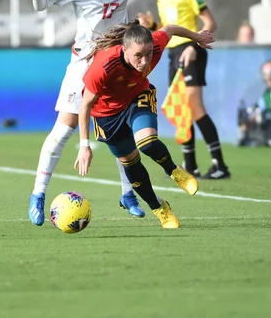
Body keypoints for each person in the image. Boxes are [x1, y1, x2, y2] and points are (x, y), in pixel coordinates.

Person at [25, 0, 176, 225]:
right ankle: (38, 195)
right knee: (64, 128)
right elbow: (43, 5)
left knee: (123, 127)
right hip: (85, 61)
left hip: (119, 59)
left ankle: (127, 193)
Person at [74, 21, 214, 228]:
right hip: (107, 115)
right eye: (138, 56)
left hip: (136, 98)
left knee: (147, 142)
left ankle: (175, 171)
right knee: (130, 164)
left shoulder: (154, 46)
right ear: (124, 50)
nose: (144, 61)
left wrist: (197, 37)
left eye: (147, 54)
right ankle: (159, 208)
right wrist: (84, 146)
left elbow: (170, 29)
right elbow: (85, 105)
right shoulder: (104, 65)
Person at [137, 0, 230, 180]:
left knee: (195, 106)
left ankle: (219, 164)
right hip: (172, 52)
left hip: (191, 50)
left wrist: (194, 44)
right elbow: (168, 29)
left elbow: (210, 21)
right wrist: (152, 28)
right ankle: (191, 165)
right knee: (181, 107)